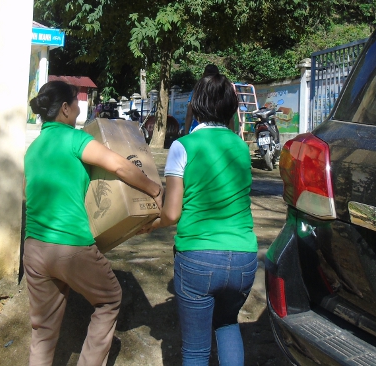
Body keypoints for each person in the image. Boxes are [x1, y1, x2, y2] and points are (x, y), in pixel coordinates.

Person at [24, 80, 163, 366]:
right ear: (64, 109)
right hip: (70, 245)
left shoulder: (34, 148)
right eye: (75, 102)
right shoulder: (75, 140)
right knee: (110, 298)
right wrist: (154, 189)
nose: (78, 106)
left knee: (43, 331)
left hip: (34, 249)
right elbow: (121, 166)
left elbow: (30, 192)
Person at [145, 73, 258, 366]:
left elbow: (171, 213)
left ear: (195, 105)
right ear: (232, 108)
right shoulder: (242, 147)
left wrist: (149, 225)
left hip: (199, 259)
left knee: (196, 350)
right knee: (228, 324)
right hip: (245, 259)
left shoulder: (183, 147)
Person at [183, 64, 221, 134]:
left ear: (204, 75)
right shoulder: (222, 92)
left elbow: (189, 114)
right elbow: (229, 116)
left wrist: (186, 133)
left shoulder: (196, 91)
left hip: (197, 130)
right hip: (218, 131)